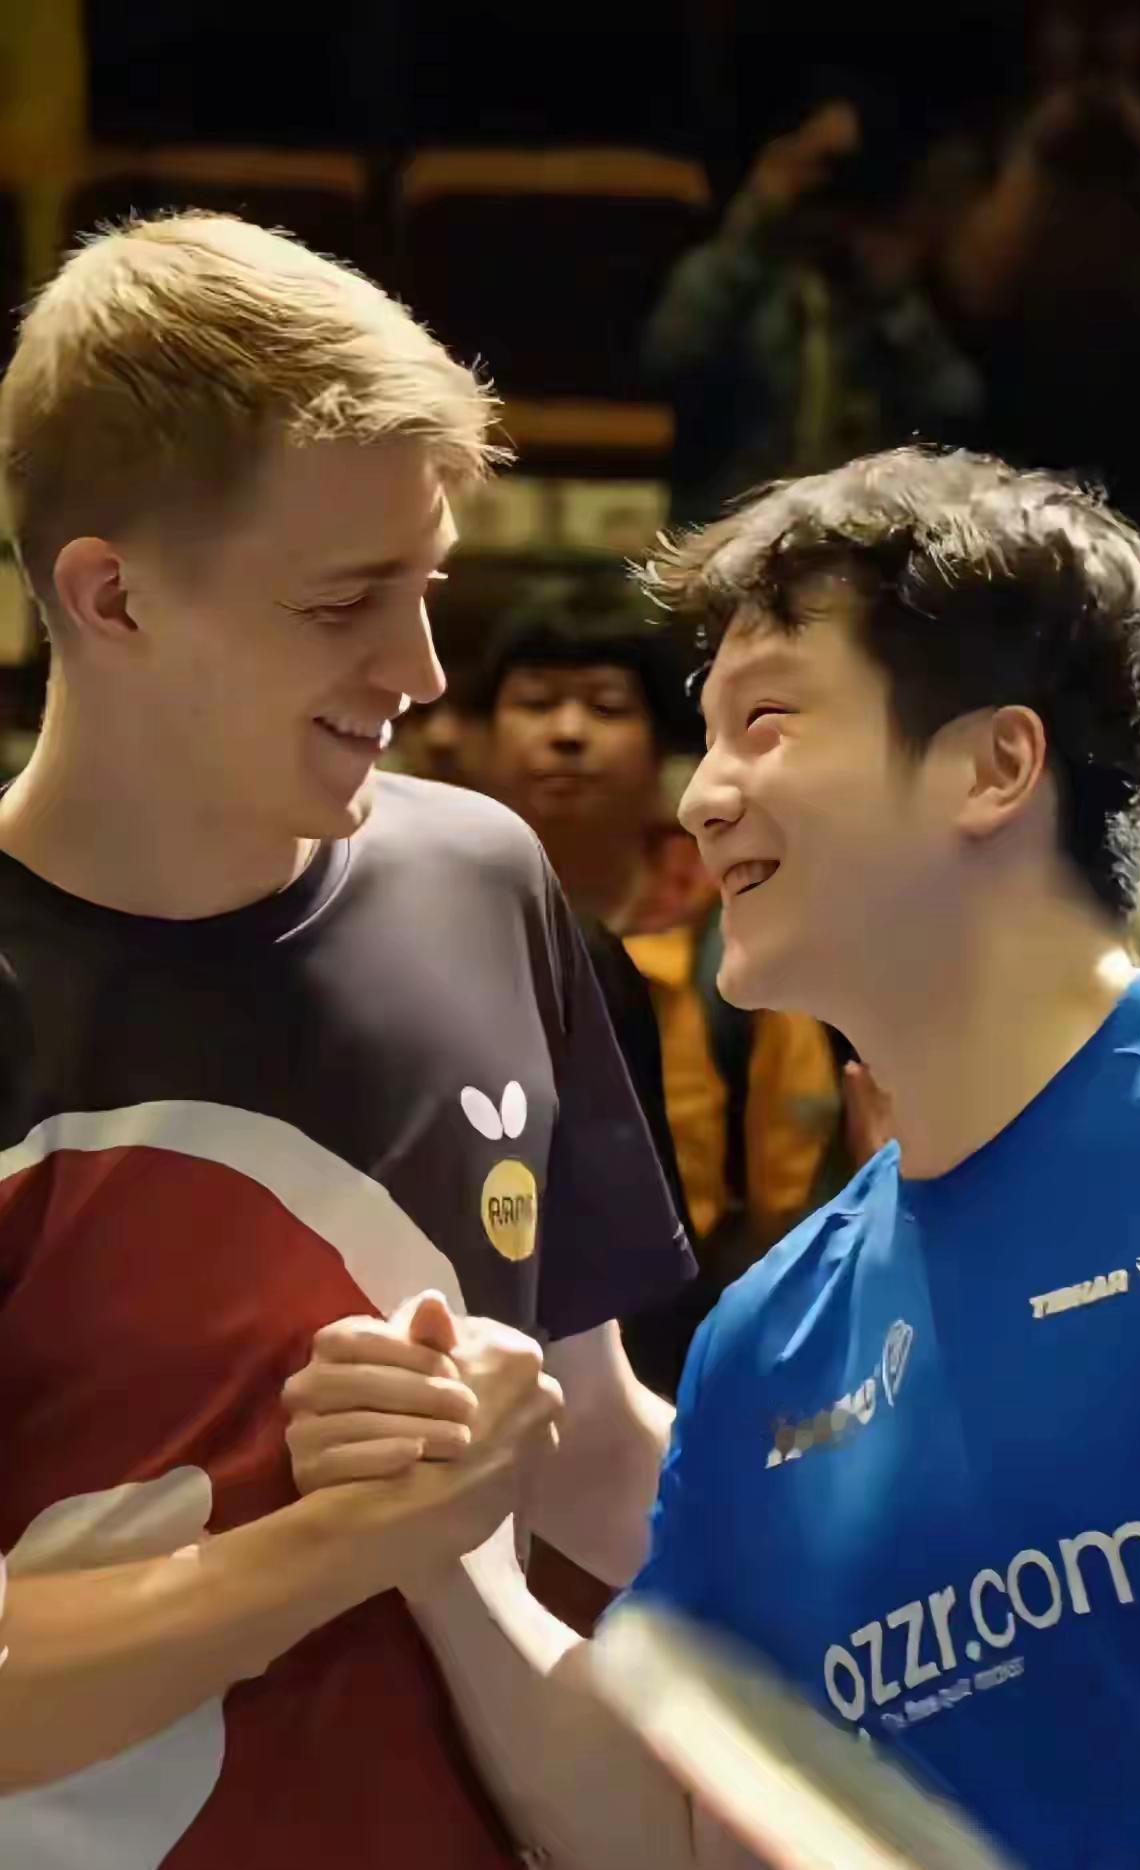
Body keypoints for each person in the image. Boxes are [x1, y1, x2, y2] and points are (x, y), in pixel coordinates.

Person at [0, 212, 695, 1868]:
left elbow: (592, 1449)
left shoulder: (484, 879)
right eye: (343, 603)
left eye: (427, 585)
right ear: (111, 596)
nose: (422, 669)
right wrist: (346, 1540)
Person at [611, 446, 1140, 1869]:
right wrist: (435, 1553)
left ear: (994, 766)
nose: (703, 797)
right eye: (706, 735)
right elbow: (700, 1819)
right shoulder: (762, 1341)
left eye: (766, 722)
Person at [481, 578, 842, 1300]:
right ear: (480, 736)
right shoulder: (429, 928)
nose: (567, 731)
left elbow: (795, 1210)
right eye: (536, 703)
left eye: (606, 706)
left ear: (662, 749)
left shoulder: (736, 940)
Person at [940, 0, 1140, 539]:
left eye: (1116, 18)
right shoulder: (988, 139)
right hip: (1007, 485)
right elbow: (972, 292)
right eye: (1072, 19)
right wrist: (1036, 154)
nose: (1093, 41)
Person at [645, 78, 984, 527]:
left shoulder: (880, 295)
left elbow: (956, 405)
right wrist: (754, 227)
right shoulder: (730, 278)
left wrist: (893, 302)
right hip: (735, 527)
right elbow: (671, 358)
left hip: (850, 536)